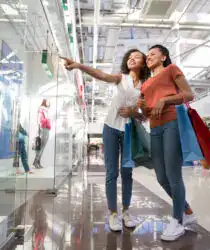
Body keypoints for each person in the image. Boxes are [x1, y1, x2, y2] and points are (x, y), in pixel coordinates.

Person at [61, 49, 149, 232]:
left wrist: (135, 112)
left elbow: (145, 116)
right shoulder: (120, 78)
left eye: (137, 56)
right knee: (111, 173)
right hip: (110, 129)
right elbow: (100, 75)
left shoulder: (146, 86)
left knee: (127, 173)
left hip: (128, 131)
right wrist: (78, 65)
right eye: (130, 57)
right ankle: (113, 213)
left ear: (144, 63)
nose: (132, 58)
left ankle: (126, 211)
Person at [137, 44, 196, 241]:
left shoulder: (172, 69)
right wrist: (143, 108)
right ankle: (187, 210)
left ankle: (177, 221)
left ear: (164, 57)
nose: (148, 57)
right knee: (161, 177)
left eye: (153, 54)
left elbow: (189, 94)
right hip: (154, 128)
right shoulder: (145, 84)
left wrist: (165, 101)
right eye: (147, 56)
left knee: (173, 174)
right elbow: (146, 115)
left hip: (172, 124)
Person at [33, 99, 51, 169]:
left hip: (44, 128)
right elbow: (42, 120)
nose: (49, 104)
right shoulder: (43, 109)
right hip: (44, 128)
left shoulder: (42, 110)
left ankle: (37, 162)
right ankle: (36, 161)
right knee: (42, 147)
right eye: (48, 102)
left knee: (42, 147)